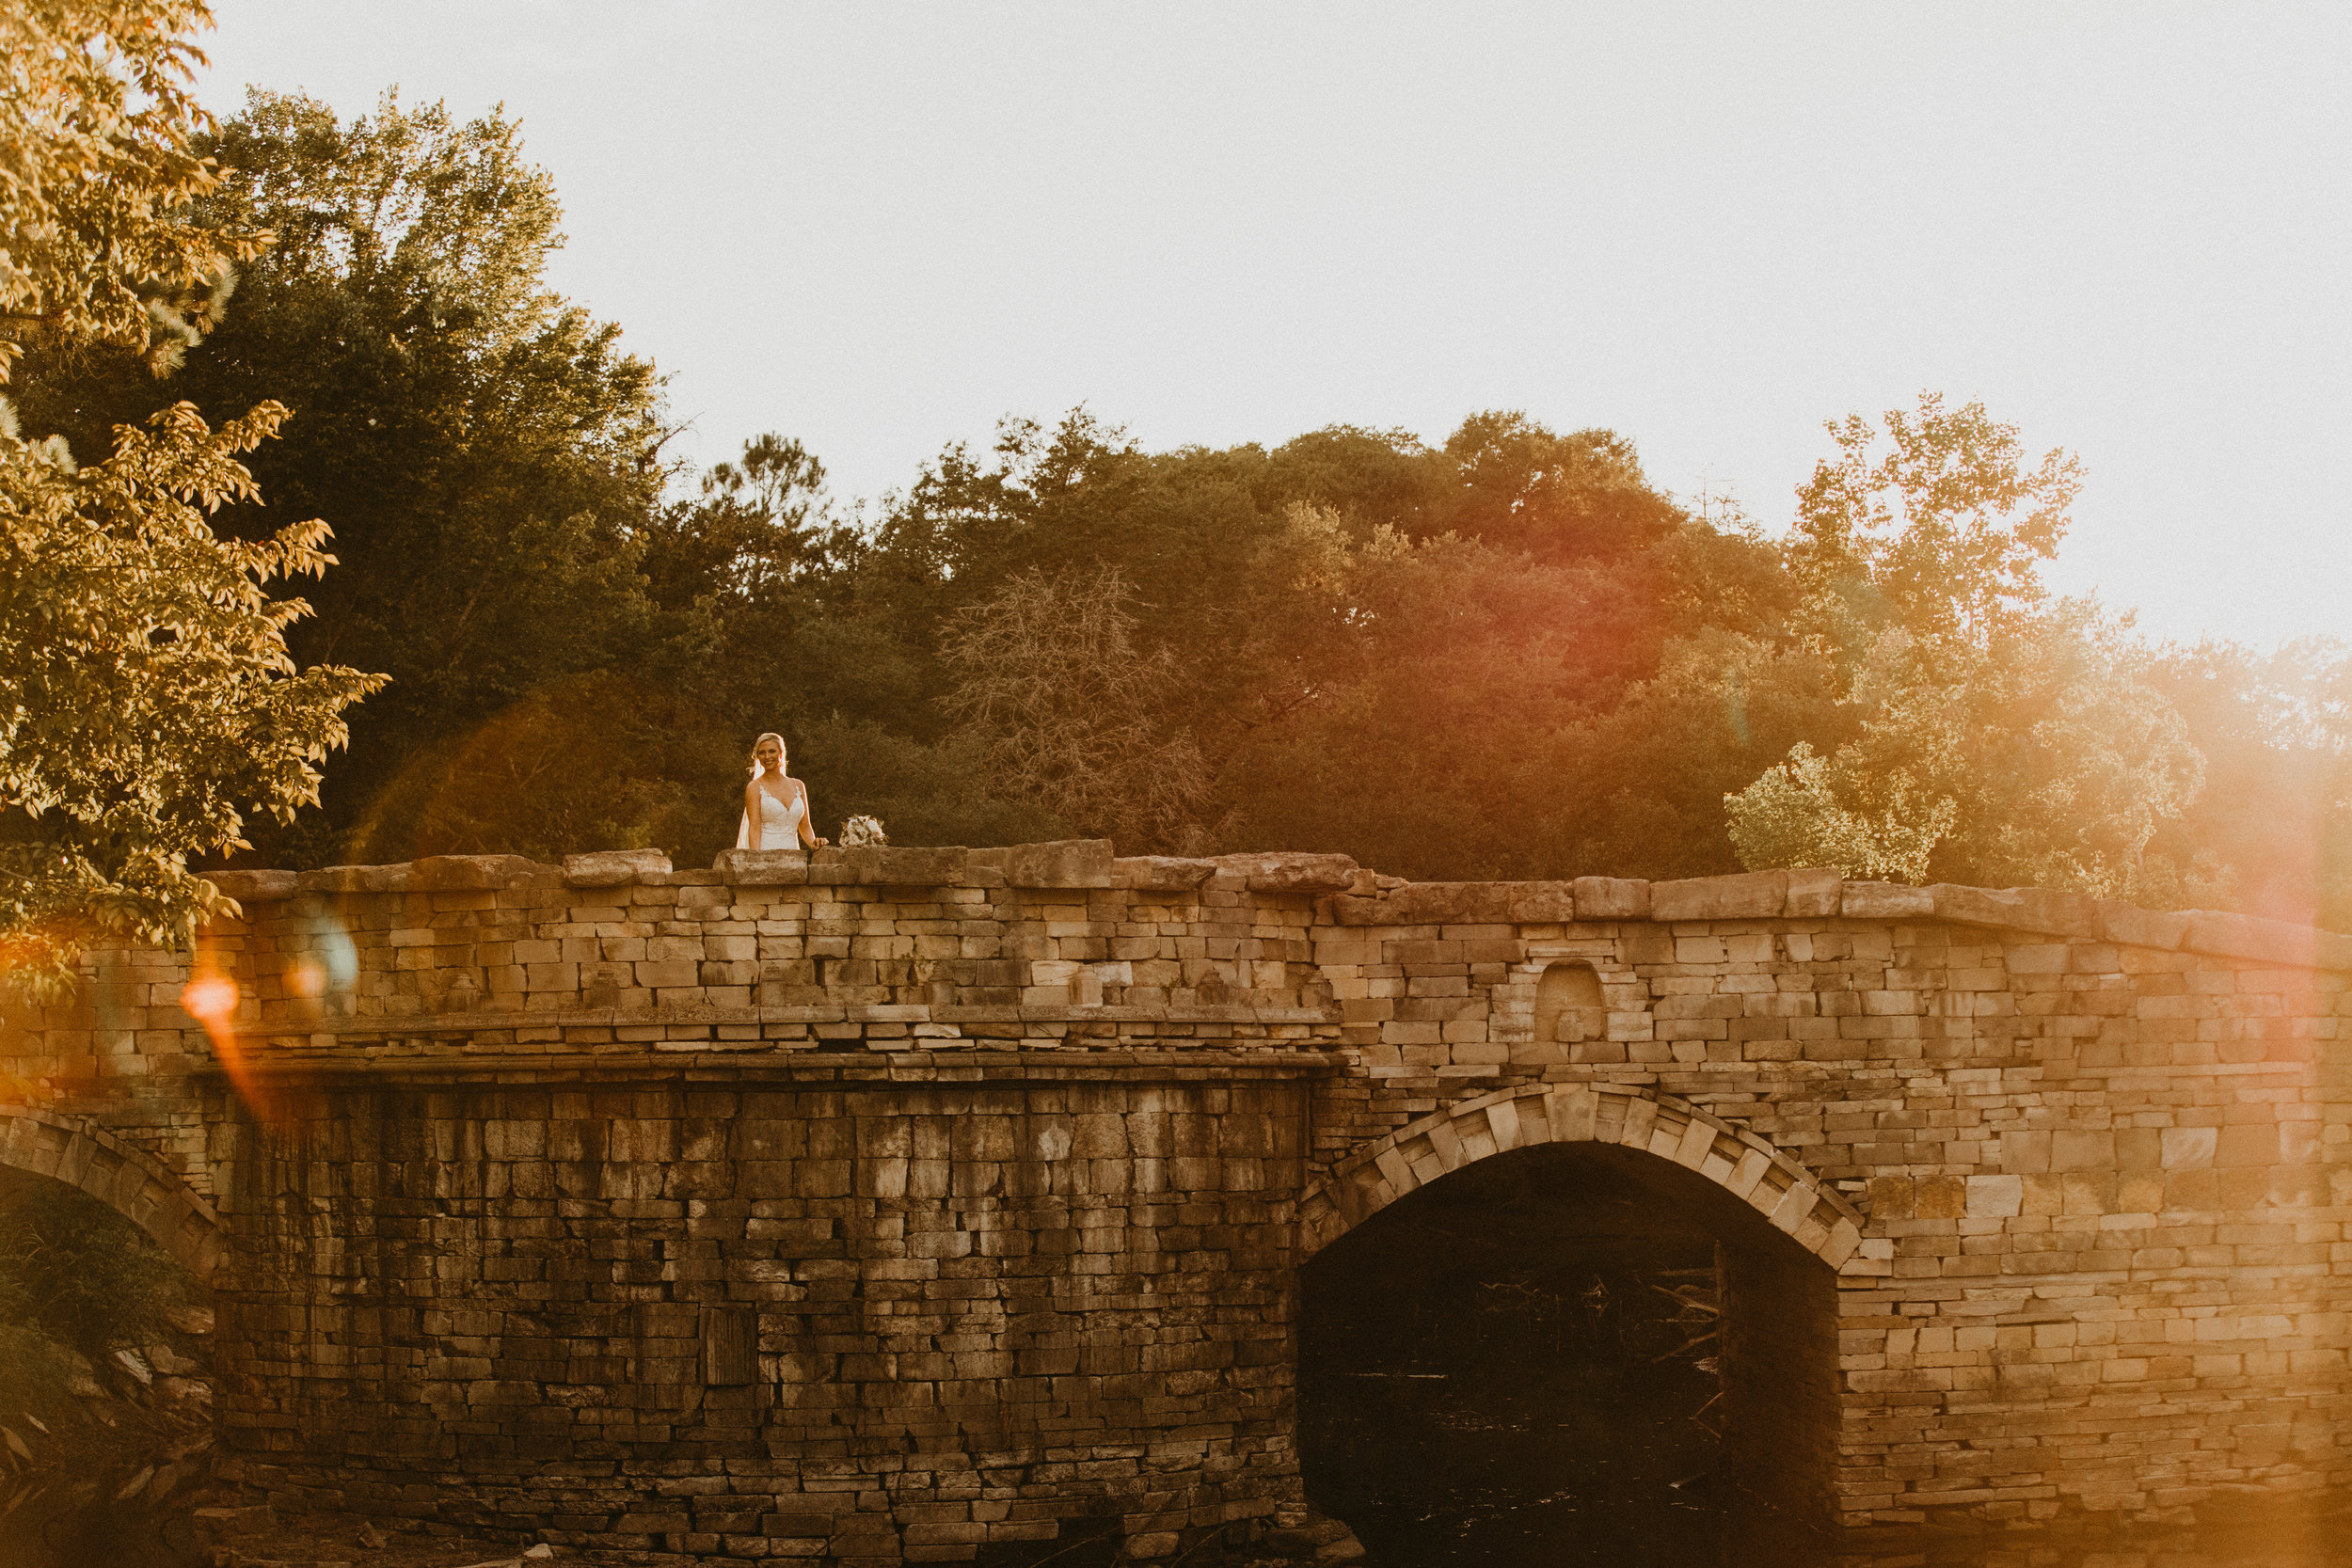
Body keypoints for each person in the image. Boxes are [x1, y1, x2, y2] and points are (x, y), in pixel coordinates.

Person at [735, 732, 828, 852]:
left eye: (772, 751)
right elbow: (754, 828)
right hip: (765, 853)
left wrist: (814, 843)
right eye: (761, 752)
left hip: (794, 855)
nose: (767, 756)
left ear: (781, 753)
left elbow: (805, 826)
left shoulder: (798, 785)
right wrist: (756, 859)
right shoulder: (754, 787)